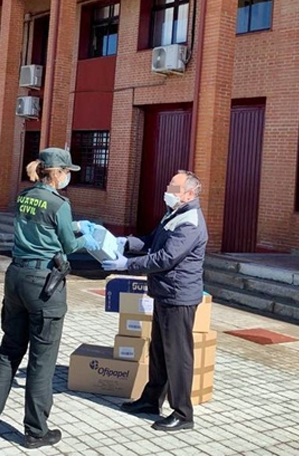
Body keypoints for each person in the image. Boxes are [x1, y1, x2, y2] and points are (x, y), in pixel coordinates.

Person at [0, 148, 100, 449]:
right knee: (42, 361)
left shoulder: (24, 195)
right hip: (44, 284)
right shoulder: (58, 203)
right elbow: (68, 244)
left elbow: (41, 229)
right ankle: (36, 431)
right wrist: (91, 236)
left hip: (16, 277)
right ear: (57, 173)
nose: (68, 176)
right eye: (67, 171)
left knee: (9, 351)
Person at [103, 170, 207, 432]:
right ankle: (151, 400)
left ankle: (183, 413)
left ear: (189, 193)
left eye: (174, 186)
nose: (168, 190)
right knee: (159, 351)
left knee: (178, 356)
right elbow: (152, 242)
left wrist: (127, 265)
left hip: (178, 296)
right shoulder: (175, 213)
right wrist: (125, 242)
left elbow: (165, 258)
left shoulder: (191, 221)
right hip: (164, 293)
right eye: (170, 185)